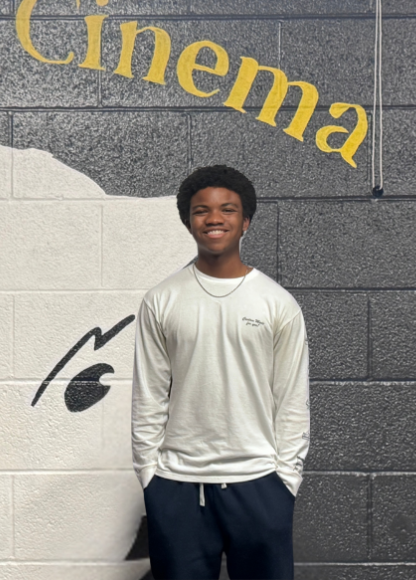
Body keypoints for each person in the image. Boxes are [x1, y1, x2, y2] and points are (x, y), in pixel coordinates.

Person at [131, 166, 309, 580]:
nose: (214, 218)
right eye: (201, 210)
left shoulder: (277, 303)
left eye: (228, 209)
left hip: (259, 483)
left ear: (245, 222)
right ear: (187, 221)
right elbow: (149, 395)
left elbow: (291, 399)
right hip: (177, 485)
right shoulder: (161, 299)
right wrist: (150, 476)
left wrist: (286, 480)